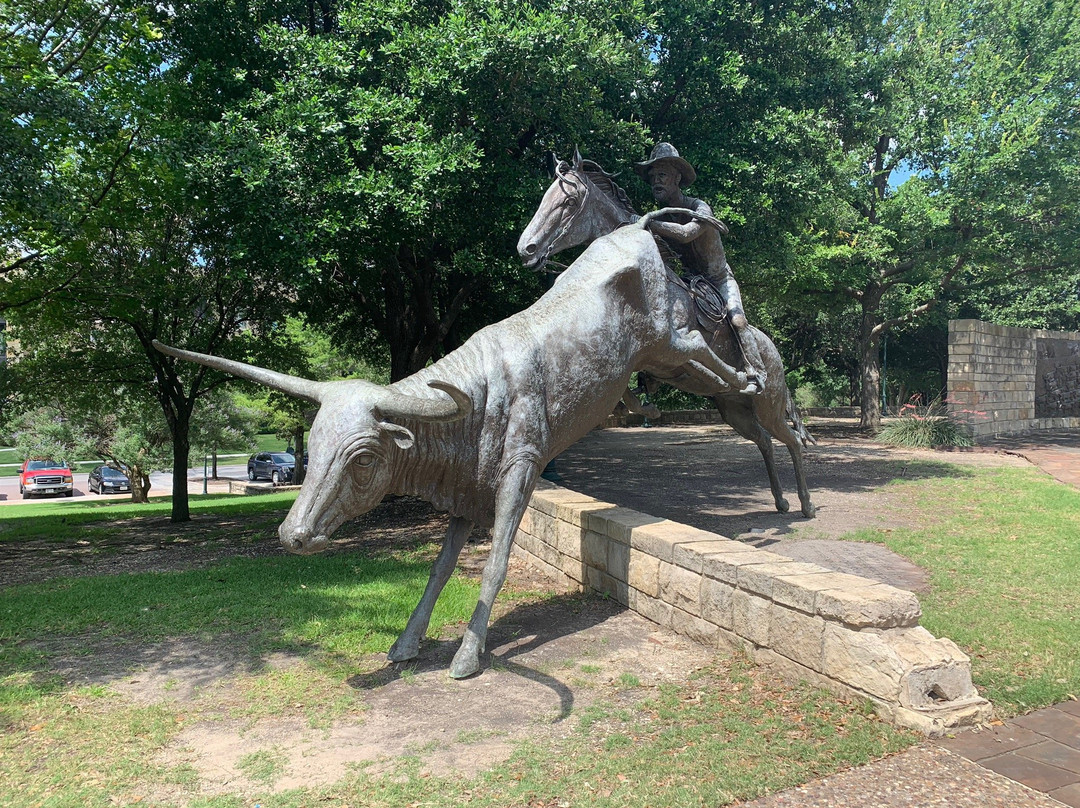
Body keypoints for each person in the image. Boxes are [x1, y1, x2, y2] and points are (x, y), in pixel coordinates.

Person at [634, 142, 766, 393]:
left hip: (717, 279)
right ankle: (649, 376)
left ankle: (756, 373)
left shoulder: (699, 207)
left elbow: (686, 233)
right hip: (689, 281)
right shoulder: (659, 217)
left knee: (737, 320)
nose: (655, 181)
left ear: (677, 178)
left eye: (661, 175)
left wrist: (647, 221)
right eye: (652, 177)